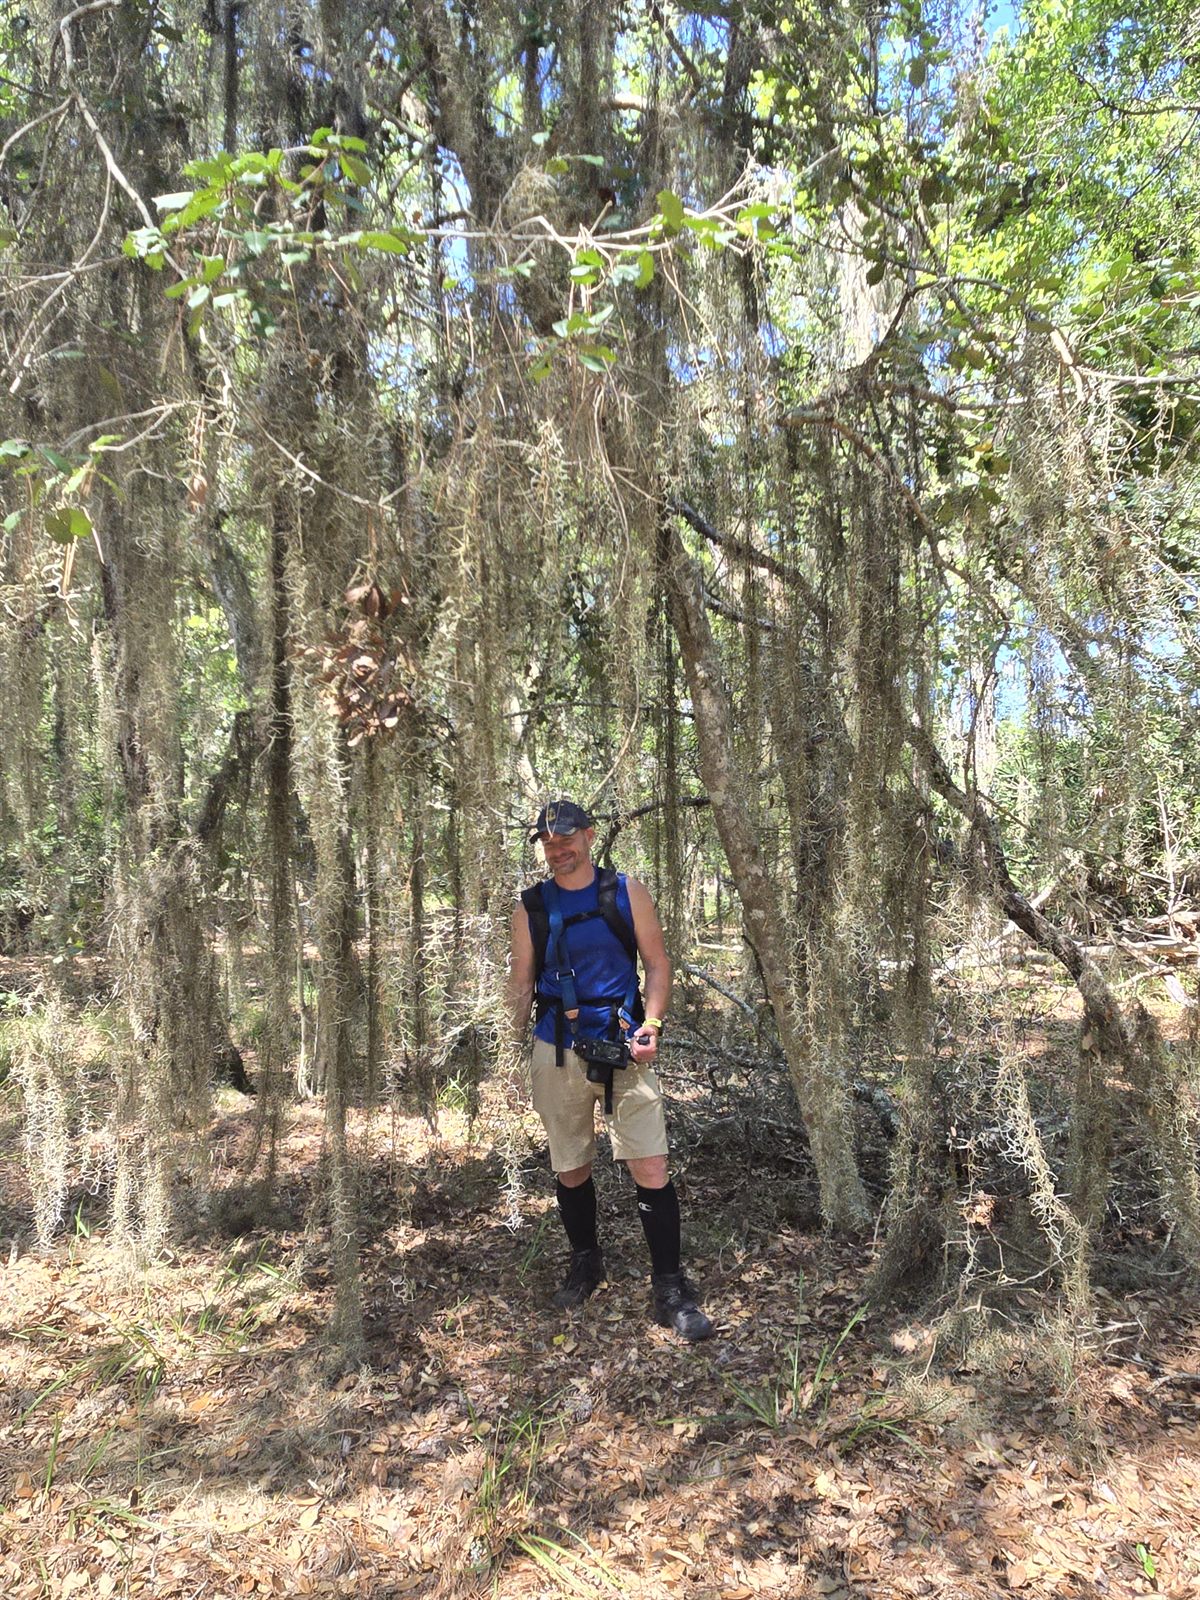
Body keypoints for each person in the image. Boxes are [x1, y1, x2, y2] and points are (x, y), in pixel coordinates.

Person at [507, 798, 712, 1342]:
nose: (558, 849)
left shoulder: (625, 892)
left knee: (650, 1163)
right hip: (558, 1050)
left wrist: (654, 1023)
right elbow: (522, 981)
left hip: (625, 1045)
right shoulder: (530, 906)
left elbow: (658, 962)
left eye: (566, 838)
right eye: (548, 842)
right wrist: (513, 1046)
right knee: (570, 1164)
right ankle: (585, 1261)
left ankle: (669, 1286)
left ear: (590, 836)